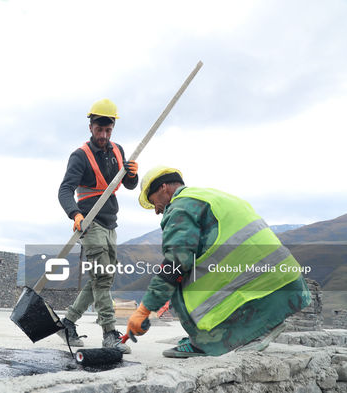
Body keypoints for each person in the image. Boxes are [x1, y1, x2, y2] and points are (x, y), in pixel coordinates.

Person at [125, 166, 311, 357]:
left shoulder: (180, 207)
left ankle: (207, 341)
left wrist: (143, 310)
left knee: (178, 282)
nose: (156, 210)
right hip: (284, 279)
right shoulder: (208, 196)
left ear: (163, 188)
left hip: (260, 279)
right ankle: (261, 323)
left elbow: (176, 262)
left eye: (153, 201)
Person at [57, 98, 139, 354]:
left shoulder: (118, 150)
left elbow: (128, 185)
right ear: (91, 126)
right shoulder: (79, 156)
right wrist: (75, 215)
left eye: (108, 130)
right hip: (90, 224)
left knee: (98, 281)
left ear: (112, 127)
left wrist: (133, 175)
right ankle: (109, 334)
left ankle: (67, 323)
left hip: (111, 223)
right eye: (99, 130)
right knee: (102, 279)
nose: (103, 135)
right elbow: (65, 190)